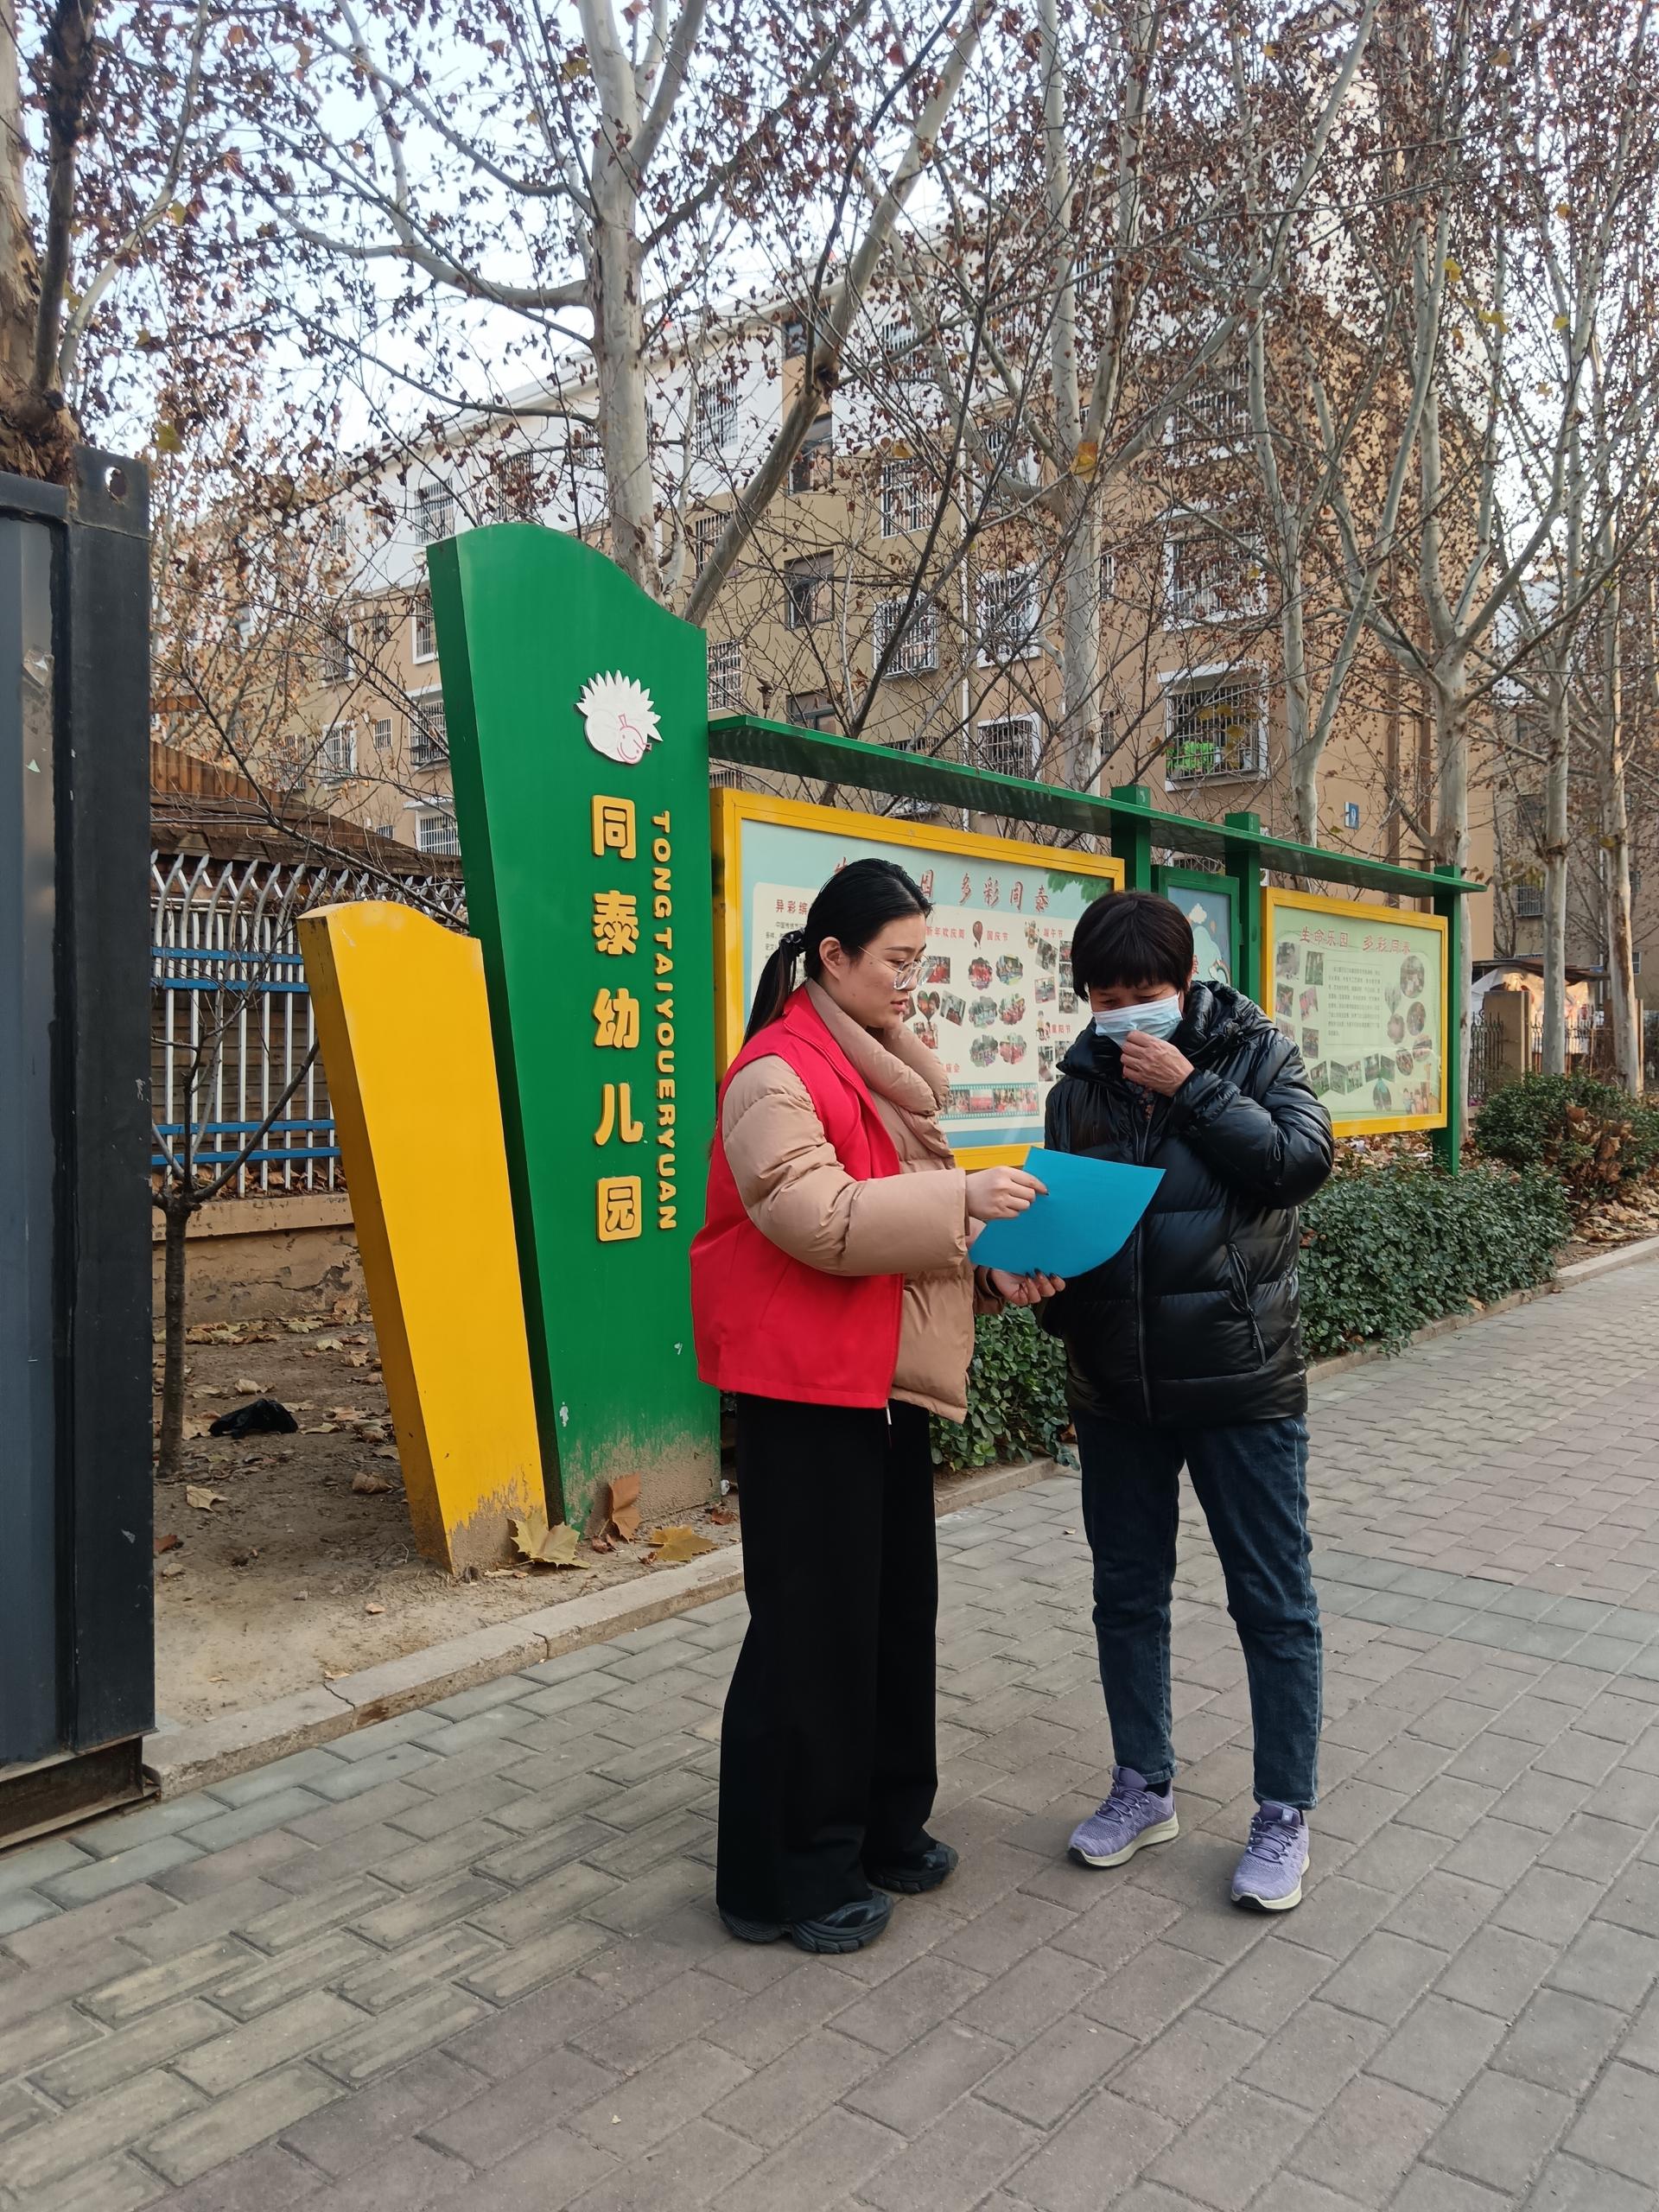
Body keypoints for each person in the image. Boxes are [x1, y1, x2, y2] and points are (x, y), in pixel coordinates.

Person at [691, 858, 1058, 1955]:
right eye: (897, 959)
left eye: (919, 960)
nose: (912, 979)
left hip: (879, 1381)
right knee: (811, 1631)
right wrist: (962, 1198)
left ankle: (884, 1824)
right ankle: (785, 1878)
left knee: (894, 1612)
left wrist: (990, 1269)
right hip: (804, 1386)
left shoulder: (875, 1068)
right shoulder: (774, 1073)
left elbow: (899, 1239)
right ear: (832, 956)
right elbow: (821, 1216)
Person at [1040, 890, 1333, 1910]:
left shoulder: (1256, 1052)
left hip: (1241, 1382)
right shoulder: (1078, 1085)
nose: (1124, 1012)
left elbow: (1299, 1164)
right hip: (1117, 1388)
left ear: (1186, 981)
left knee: (1273, 1601)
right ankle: (1143, 1783)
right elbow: (1073, 1226)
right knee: (1126, 1593)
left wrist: (1192, 1086)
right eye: (1104, 995)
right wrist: (1036, 1280)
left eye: (1143, 991)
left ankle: (1283, 1811)